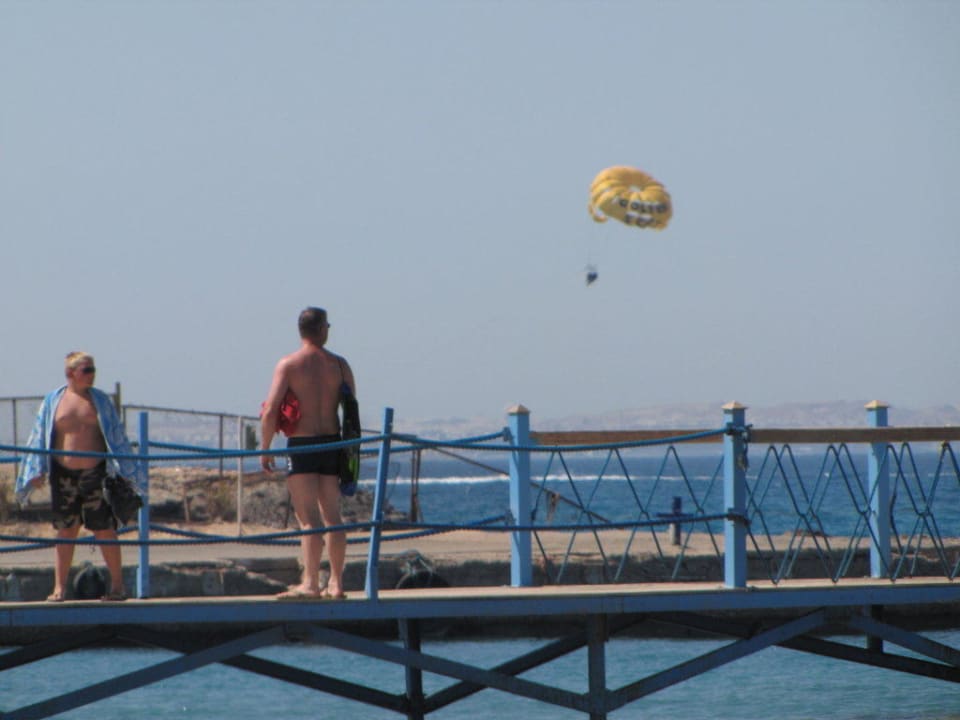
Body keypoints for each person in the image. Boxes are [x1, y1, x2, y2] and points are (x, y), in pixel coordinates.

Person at [15, 352, 146, 602]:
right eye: (86, 370)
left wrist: (128, 471)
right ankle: (59, 588)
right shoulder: (54, 401)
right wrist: (35, 470)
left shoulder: (100, 401)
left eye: (93, 369)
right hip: (63, 474)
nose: (92, 374)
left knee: (105, 529)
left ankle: (117, 587)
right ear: (70, 373)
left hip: (95, 473)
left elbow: (116, 436)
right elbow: (40, 435)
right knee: (66, 530)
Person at [261, 307, 356, 600]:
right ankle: (337, 584)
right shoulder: (339, 365)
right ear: (322, 330)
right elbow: (352, 411)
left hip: (302, 445)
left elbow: (271, 410)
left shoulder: (289, 365)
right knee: (332, 516)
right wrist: (350, 454)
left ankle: (311, 583)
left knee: (308, 519)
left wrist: (264, 449)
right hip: (332, 443)